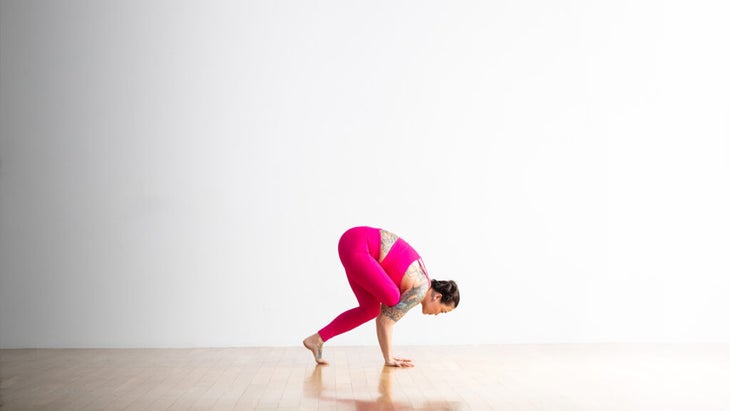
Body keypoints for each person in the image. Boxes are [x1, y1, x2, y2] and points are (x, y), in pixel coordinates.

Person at [303, 226, 460, 367]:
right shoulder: (420, 290)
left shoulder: (421, 280)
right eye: (443, 311)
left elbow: (382, 319)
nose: (438, 314)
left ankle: (316, 340)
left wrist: (388, 356)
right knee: (392, 298)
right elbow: (385, 322)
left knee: (370, 310)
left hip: (352, 243)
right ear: (437, 297)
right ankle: (319, 340)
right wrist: (389, 358)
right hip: (357, 246)